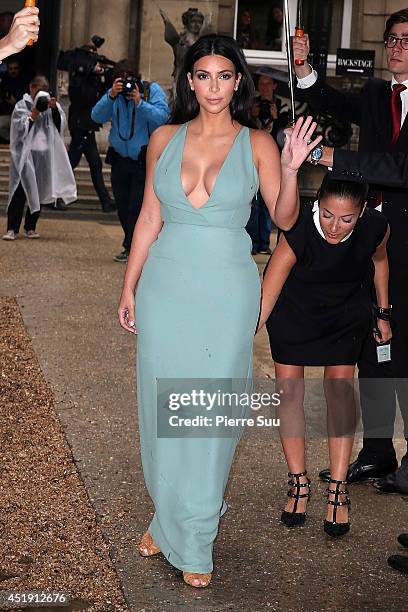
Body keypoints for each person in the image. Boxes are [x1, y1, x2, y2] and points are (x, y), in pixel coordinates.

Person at [116, 35, 315, 588]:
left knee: (208, 419)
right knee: (163, 413)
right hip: (164, 286)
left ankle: (196, 535)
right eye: (202, 76)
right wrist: (129, 286)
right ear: (188, 81)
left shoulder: (257, 144)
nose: (213, 87)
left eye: (224, 76)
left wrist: (294, 168)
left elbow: (285, 219)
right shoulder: (162, 138)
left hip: (227, 290)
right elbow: (149, 219)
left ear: (239, 82)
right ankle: (165, 515)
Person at [293, 8, 408, 494]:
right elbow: (330, 101)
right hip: (372, 238)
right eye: (393, 38)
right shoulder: (379, 94)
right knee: (371, 348)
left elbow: (399, 168)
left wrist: (328, 156)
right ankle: (378, 451)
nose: (398, 46)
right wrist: (303, 69)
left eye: (407, 38)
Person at [258, 170, 391, 537]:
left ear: (362, 212)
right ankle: (298, 483)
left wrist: (383, 313)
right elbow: (269, 291)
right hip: (294, 313)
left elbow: (380, 263)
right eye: (328, 214)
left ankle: (337, 489)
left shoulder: (376, 227)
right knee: (289, 392)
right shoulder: (299, 228)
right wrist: (242, 330)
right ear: (317, 204)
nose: (334, 226)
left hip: (344, 313)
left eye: (346, 219)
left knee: (340, 391)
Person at [91, 60, 169, 263]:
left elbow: (163, 118)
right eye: (121, 79)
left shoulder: (150, 90)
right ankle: (132, 244)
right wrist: (110, 95)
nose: (126, 84)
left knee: (137, 206)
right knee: (123, 206)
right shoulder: (114, 95)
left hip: (143, 160)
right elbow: (96, 116)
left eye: (129, 79)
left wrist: (139, 102)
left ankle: (132, 247)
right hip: (119, 159)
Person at [2, 76, 76, 241]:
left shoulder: (52, 105)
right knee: (19, 192)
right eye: (38, 90)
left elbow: (60, 126)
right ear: (31, 87)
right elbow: (19, 129)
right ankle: (12, 228)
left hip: (43, 156)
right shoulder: (22, 105)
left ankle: (31, 226)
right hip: (25, 157)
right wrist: (34, 113)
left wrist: (54, 109)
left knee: (39, 192)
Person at [64, 41, 116, 214]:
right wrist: (88, 72)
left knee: (93, 163)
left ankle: (105, 201)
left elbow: (103, 94)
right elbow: (81, 96)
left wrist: (106, 74)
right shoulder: (78, 76)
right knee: (74, 162)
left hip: (88, 125)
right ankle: (55, 196)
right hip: (80, 124)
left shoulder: (92, 79)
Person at [247, 68, 289, 254]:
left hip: (273, 162)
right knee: (251, 203)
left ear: (274, 85)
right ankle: (252, 244)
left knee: (267, 203)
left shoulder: (283, 106)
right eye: (261, 83)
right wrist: (252, 116)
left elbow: (284, 135)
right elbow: (243, 131)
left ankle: (263, 244)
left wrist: (276, 118)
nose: (264, 87)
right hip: (252, 160)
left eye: (267, 83)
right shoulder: (251, 105)